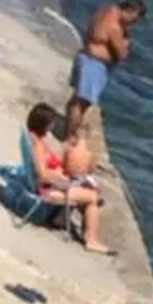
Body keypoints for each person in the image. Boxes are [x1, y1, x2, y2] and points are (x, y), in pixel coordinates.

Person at [24, 102, 108, 252]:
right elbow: (42, 174)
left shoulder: (34, 139)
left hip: (51, 185)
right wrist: (62, 180)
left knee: (90, 193)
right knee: (93, 197)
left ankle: (86, 233)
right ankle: (91, 239)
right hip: (47, 189)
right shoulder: (37, 144)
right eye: (50, 124)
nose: (52, 127)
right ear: (43, 124)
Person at [71, 0, 143, 106]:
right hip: (94, 65)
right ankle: (72, 124)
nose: (133, 23)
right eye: (134, 19)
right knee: (82, 103)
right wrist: (126, 42)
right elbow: (121, 53)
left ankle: (70, 122)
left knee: (76, 99)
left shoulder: (105, 11)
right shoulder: (115, 26)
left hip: (85, 56)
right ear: (130, 11)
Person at [57, 94, 101, 181]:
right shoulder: (89, 155)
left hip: (68, 177)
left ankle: (70, 134)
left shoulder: (69, 150)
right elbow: (91, 171)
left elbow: (63, 166)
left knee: (76, 103)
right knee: (81, 102)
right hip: (80, 180)